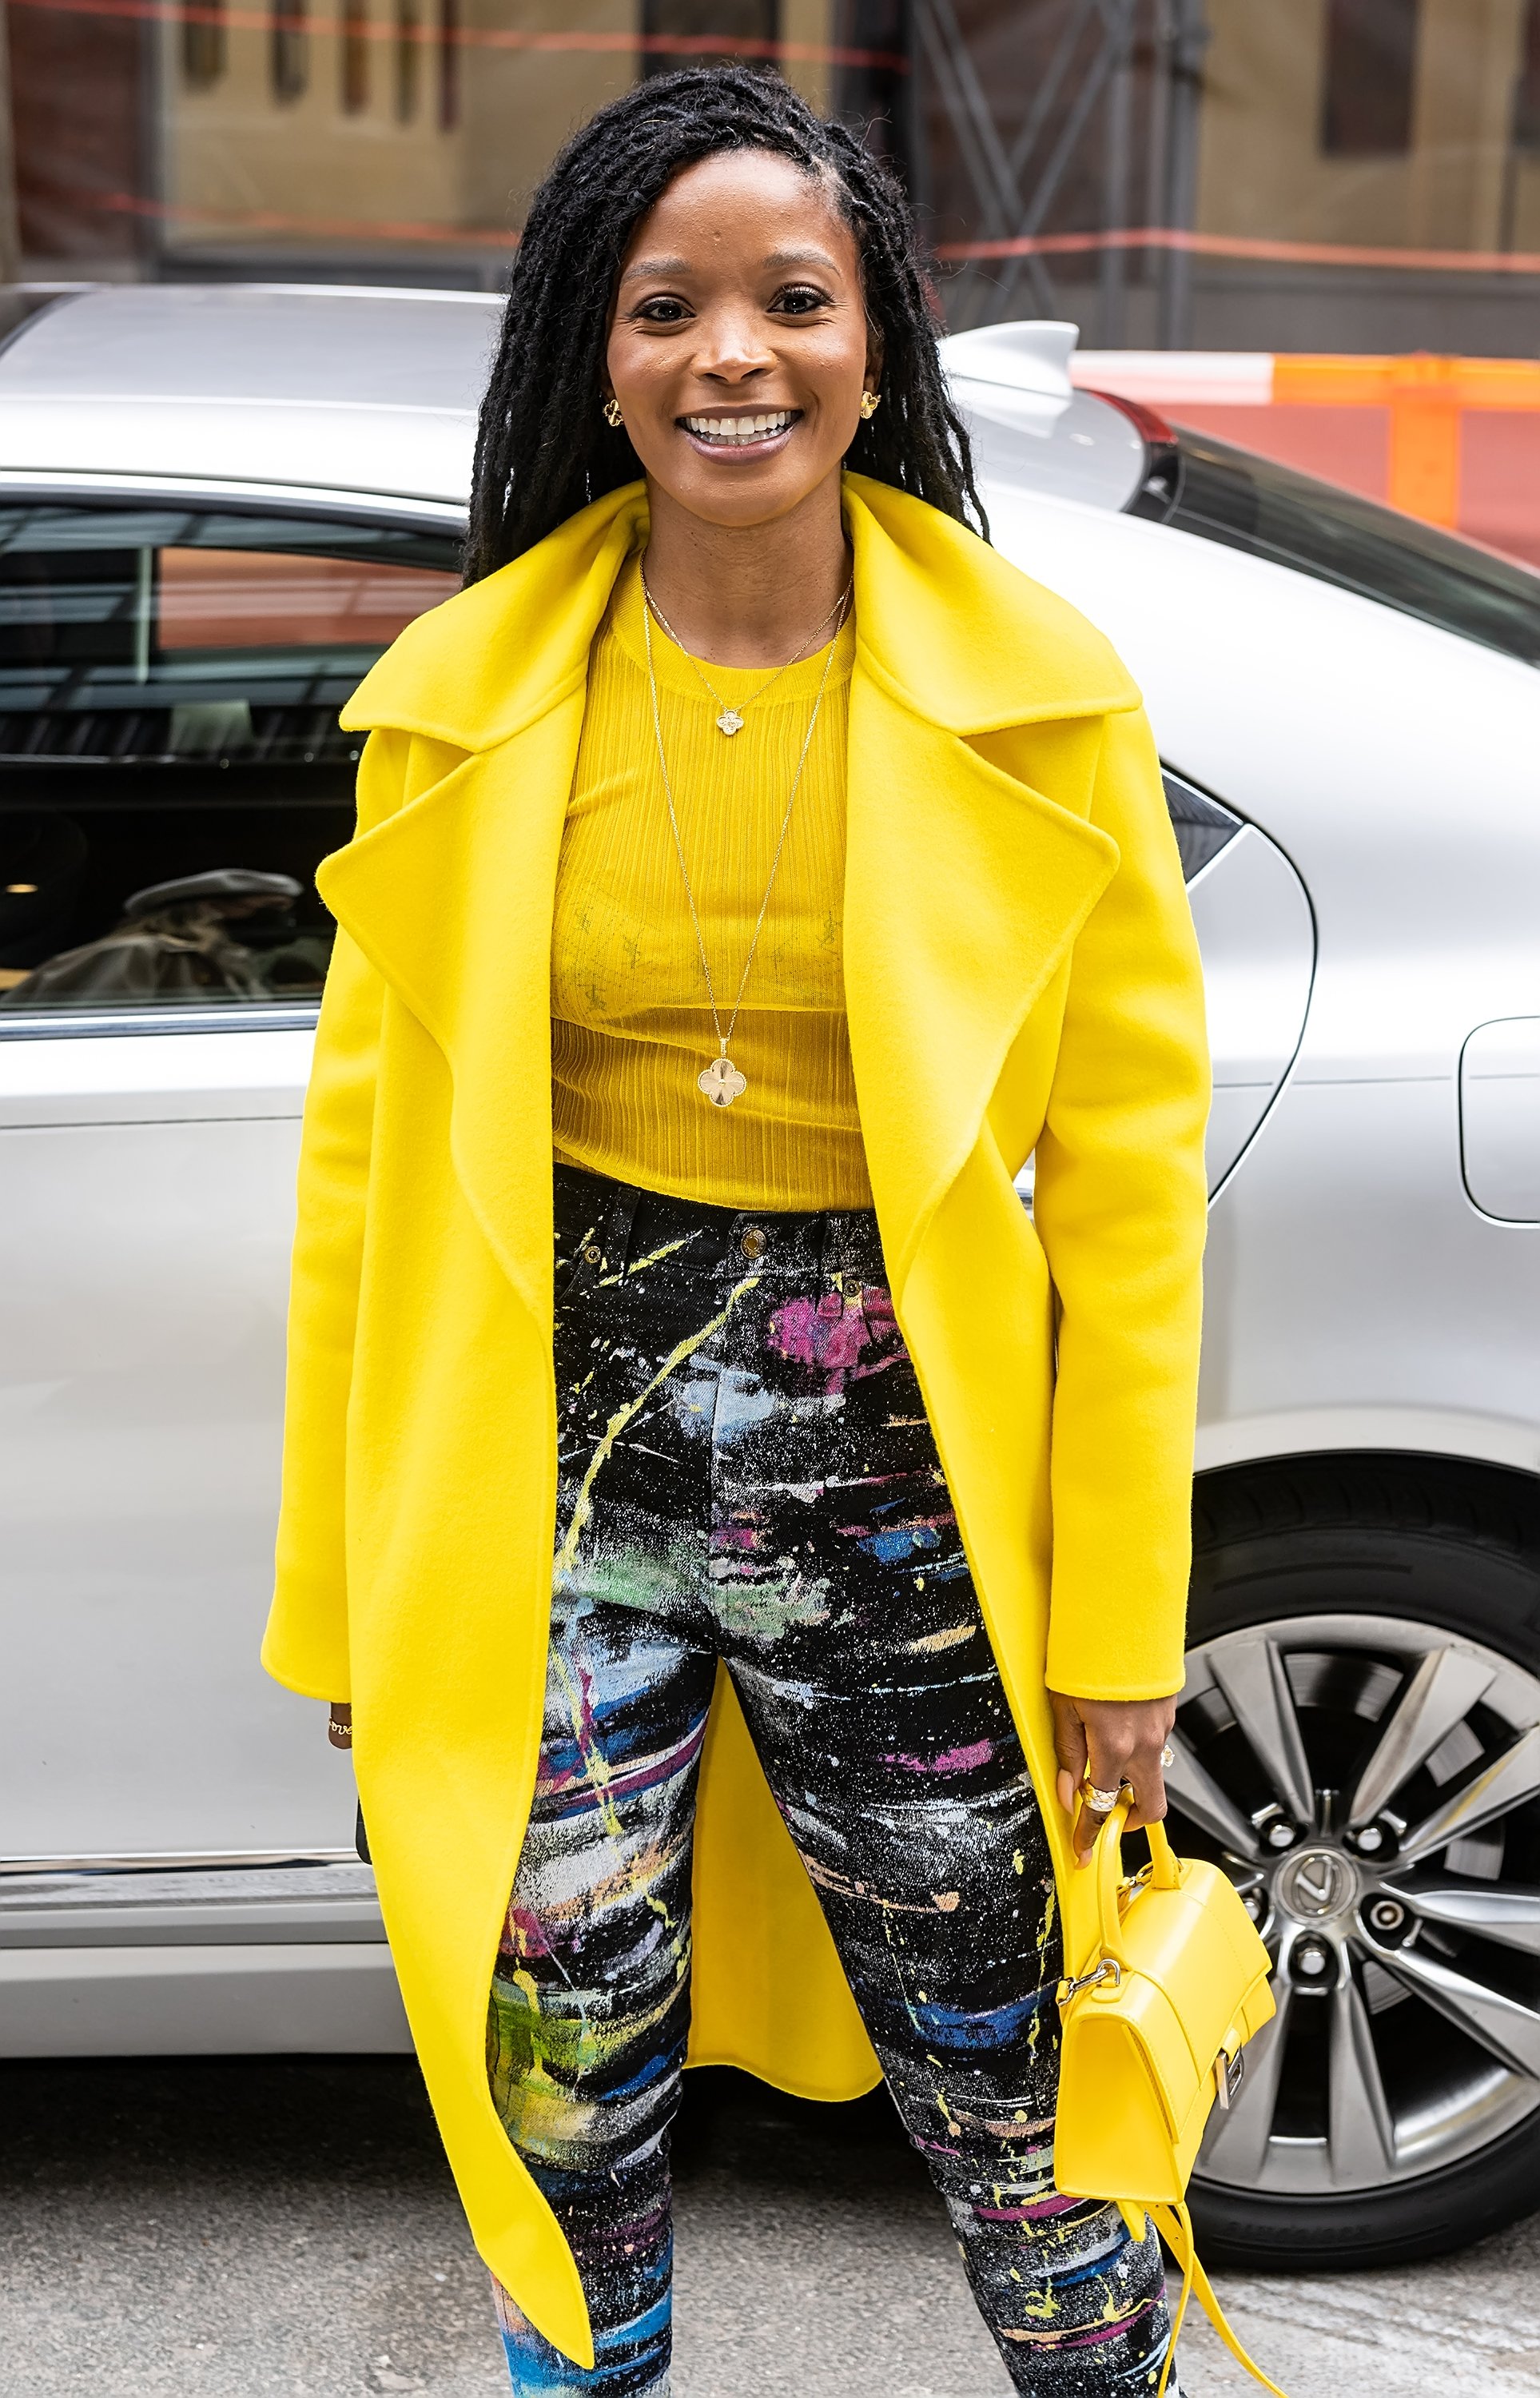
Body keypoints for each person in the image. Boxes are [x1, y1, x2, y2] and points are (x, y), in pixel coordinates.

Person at [263, 64, 1209, 2398]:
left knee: (1009, 2068)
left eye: (795, 299)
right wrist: (348, 1606)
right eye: (667, 304)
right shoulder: (464, 711)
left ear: (875, 345)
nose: (734, 354)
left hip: (902, 1484)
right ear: (596, 350)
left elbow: (1128, 1201)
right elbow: (362, 1193)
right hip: (546, 1481)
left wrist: (1118, 1632)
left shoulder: (1041, 705)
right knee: (560, 2061)